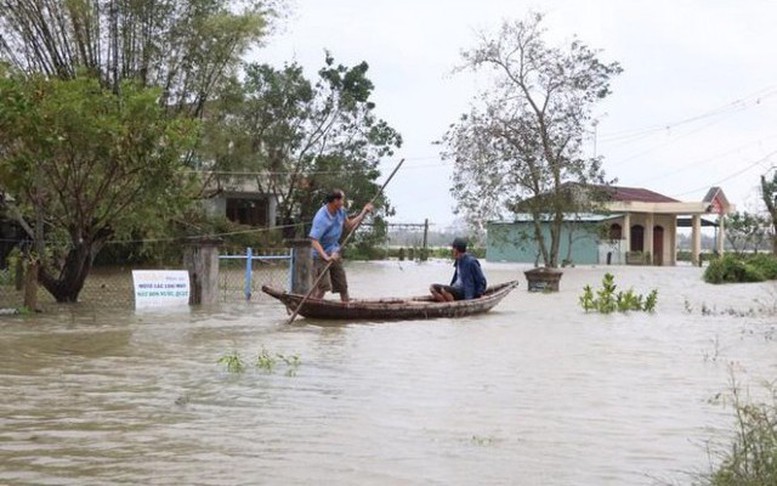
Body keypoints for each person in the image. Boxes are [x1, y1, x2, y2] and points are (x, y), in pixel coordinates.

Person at [309, 189, 373, 301]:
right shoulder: (321, 218)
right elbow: (314, 240)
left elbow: (349, 226)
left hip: (334, 251)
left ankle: (346, 306)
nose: (343, 202)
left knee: (342, 287)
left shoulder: (341, 211)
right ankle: (314, 307)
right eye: (342, 199)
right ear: (335, 201)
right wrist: (326, 257)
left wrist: (363, 212)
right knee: (323, 288)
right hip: (321, 255)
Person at [429, 237, 487, 302]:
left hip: (465, 292)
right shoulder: (458, 260)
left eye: (453, 248)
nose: (452, 250)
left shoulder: (471, 262)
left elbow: (481, 280)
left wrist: (480, 294)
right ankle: (446, 304)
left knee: (444, 289)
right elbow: (455, 278)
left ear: (456, 249)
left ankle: (454, 306)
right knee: (433, 288)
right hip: (456, 289)